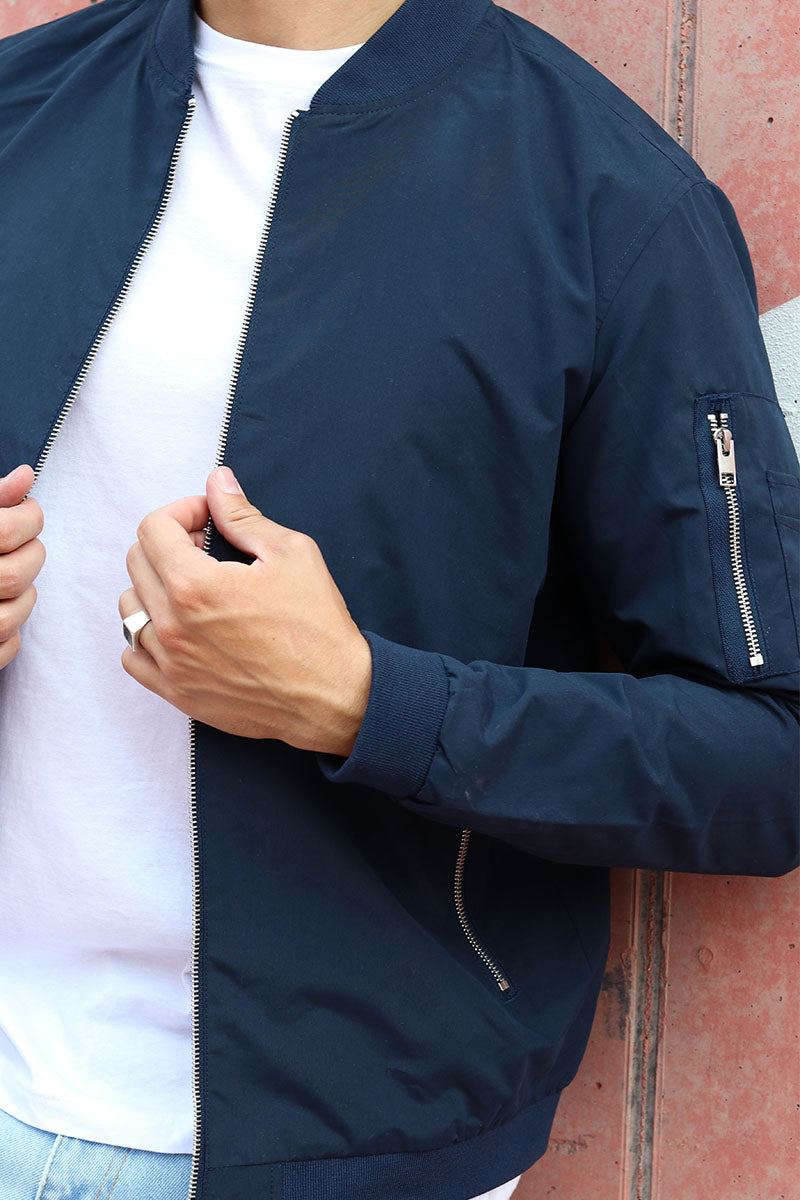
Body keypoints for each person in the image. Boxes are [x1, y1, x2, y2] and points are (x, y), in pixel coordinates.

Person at [0, 0, 797, 1196]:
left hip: (352, 1143)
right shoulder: (24, 108)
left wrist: (368, 704)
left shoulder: (609, 199)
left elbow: (767, 757)